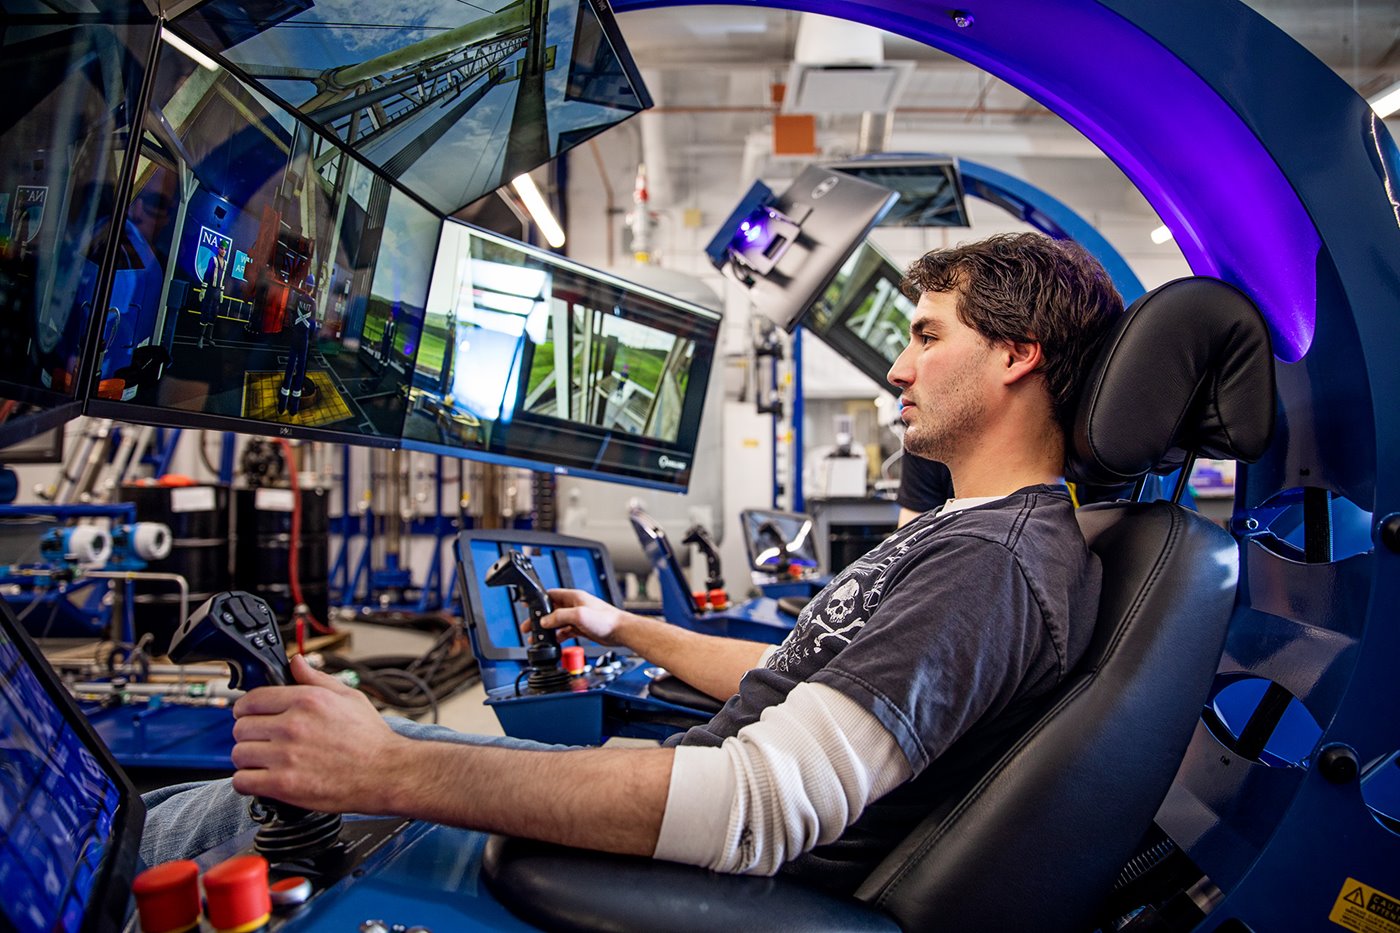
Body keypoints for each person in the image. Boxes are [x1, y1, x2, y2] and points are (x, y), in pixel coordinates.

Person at [141, 233, 1125, 890]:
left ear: (1015, 356)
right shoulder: (967, 531)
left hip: (681, 867)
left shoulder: (990, 564)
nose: (898, 369)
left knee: (213, 820)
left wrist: (390, 770)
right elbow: (812, 687)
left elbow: (756, 807)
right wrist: (629, 629)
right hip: (672, 804)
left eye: (924, 337)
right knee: (305, 758)